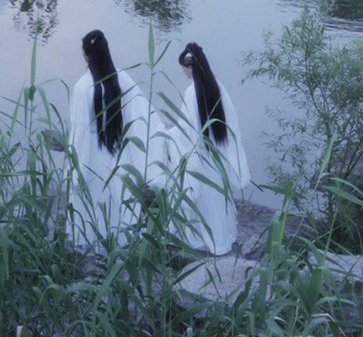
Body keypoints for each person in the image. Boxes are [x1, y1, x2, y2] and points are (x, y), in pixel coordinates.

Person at [67, 29, 154, 250]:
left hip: (93, 155)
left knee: (93, 203)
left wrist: (75, 171)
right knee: (117, 200)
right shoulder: (122, 79)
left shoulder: (82, 87)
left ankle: (91, 248)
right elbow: (142, 114)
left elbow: (79, 133)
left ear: (86, 56)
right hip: (118, 150)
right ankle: (122, 245)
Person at [167, 41, 249, 255]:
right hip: (216, 156)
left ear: (190, 67)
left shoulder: (190, 92)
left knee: (201, 200)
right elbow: (230, 122)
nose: (184, 72)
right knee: (217, 199)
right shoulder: (217, 86)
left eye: (184, 68)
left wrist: (168, 135)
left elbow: (186, 130)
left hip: (199, 157)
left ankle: (199, 237)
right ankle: (221, 239)